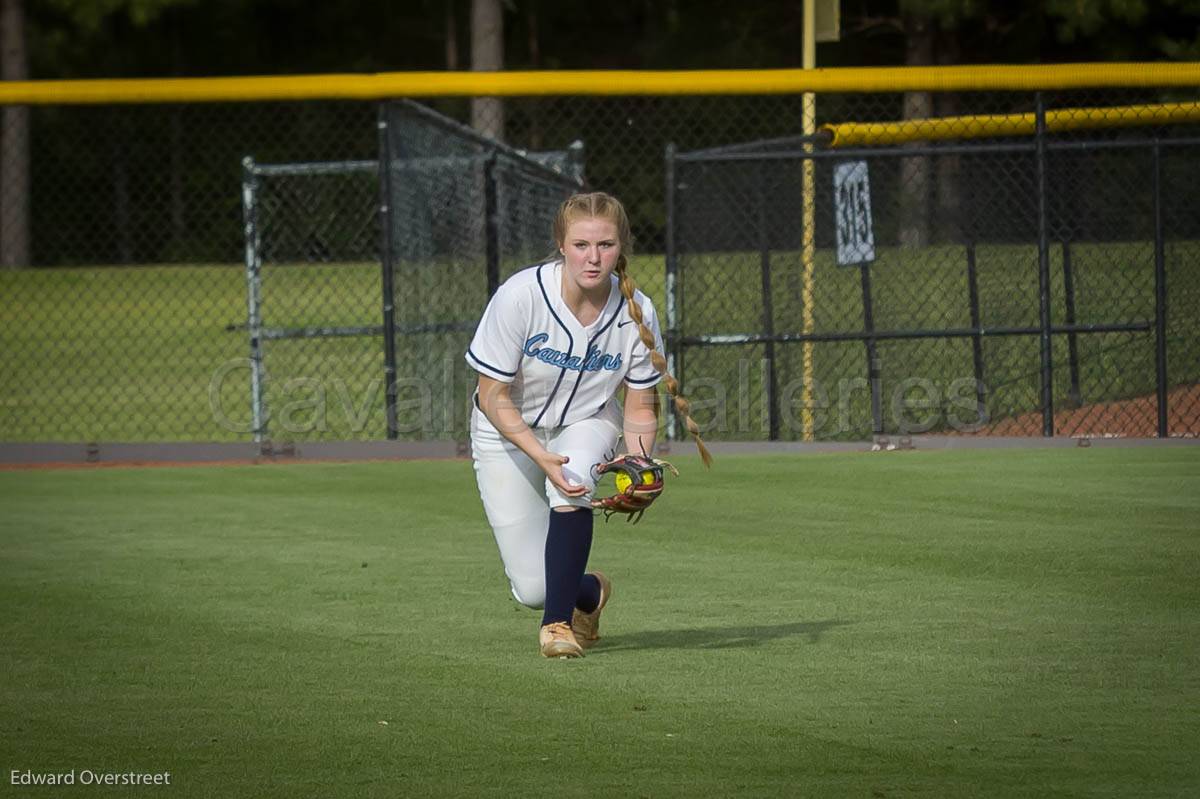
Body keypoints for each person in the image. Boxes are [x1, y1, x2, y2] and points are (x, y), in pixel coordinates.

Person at [465, 191, 712, 659]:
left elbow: (640, 405)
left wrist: (638, 460)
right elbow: (491, 396)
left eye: (605, 245)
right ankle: (586, 593)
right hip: (506, 432)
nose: (593, 258)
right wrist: (540, 455)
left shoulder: (636, 310)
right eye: (581, 245)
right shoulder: (521, 296)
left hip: (588, 419)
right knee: (531, 587)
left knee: (572, 481)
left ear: (622, 248)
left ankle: (556, 627)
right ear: (561, 244)